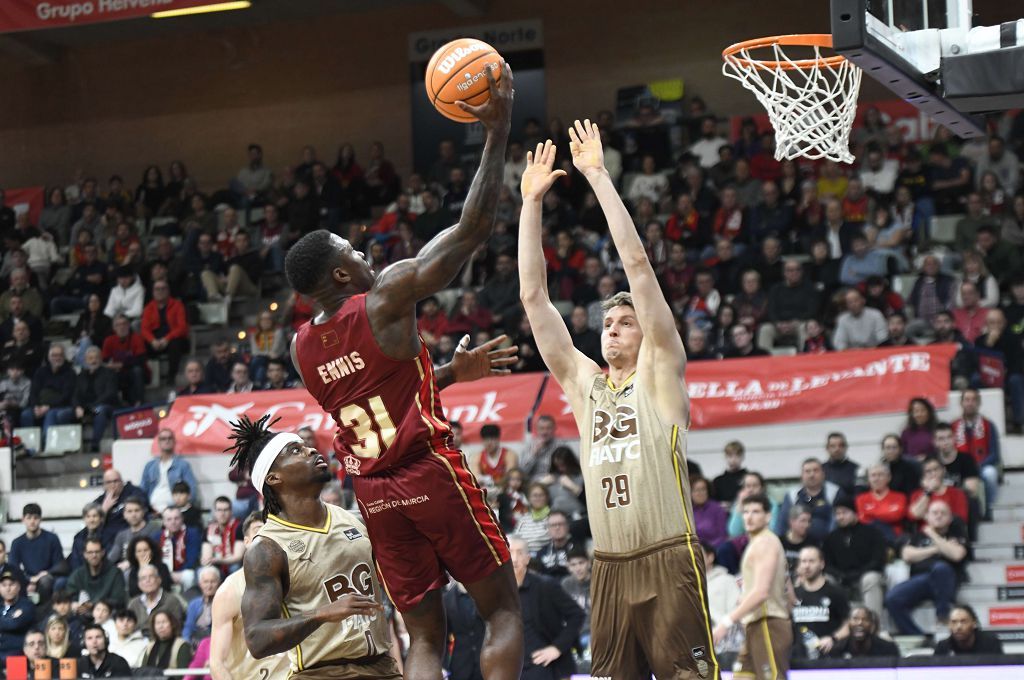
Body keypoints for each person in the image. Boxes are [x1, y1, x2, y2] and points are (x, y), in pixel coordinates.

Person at [283, 62, 522, 679]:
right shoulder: (385, 296)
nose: (365, 256)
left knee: (423, 639)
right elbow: (474, 230)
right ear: (341, 275)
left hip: (374, 494)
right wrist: (496, 132)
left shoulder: (301, 347)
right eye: (353, 253)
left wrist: (446, 371)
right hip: (430, 472)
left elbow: (375, 393)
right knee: (500, 611)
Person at [518, 120, 720, 679]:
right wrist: (531, 204)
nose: (612, 329)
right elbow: (534, 299)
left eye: (626, 322)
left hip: (668, 556)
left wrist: (599, 177)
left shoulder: (659, 374)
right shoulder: (586, 387)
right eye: (608, 322)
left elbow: (638, 267)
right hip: (607, 569)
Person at [228, 415, 401, 678]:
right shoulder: (267, 548)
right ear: (274, 478)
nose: (310, 449)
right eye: (295, 450)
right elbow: (257, 639)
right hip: (320, 673)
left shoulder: (352, 518)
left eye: (306, 445)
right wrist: (321, 614)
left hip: (382, 667)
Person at [713, 494, 791, 679]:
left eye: (756, 511)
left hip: (768, 623)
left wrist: (727, 621)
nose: (748, 516)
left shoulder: (765, 542)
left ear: (768, 516)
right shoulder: (758, 543)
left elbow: (762, 592)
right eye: (745, 512)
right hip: (755, 625)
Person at [209, 512, 288, 680]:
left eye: (271, 531)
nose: (267, 537)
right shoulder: (229, 591)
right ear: (246, 542)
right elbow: (217, 663)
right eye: (259, 531)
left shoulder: (298, 579)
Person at [885, 500, 969, 635]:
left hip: (946, 581)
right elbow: (907, 555)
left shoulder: (956, 533)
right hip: (921, 580)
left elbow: (957, 555)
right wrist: (938, 548)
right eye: (934, 513)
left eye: (943, 513)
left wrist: (932, 535)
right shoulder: (918, 536)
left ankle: (943, 616)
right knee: (892, 598)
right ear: (927, 517)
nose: (938, 516)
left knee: (941, 567)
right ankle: (917, 635)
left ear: (950, 518)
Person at [508, 536, 584, 680]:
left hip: (547, 668)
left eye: (519, 553)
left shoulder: (546, 586)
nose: (514, 558)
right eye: (510, 552)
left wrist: (557, 648)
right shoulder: (498, 592)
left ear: (527, 558)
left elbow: (577, 615)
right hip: (513, 669)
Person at [822, 499, 886, 620]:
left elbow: (878, 560)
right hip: (841, 580)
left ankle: (873, 626)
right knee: (825, 580)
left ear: (855, 513)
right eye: (837, 513)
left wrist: (858, 574)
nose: (840, 517)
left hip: (865, 577)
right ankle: (831, 626)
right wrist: (840, 575)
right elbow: (826, 563)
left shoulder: (872, 533)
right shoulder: (831, 538)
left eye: (844, 513)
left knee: (871, 578)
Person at [792, 546, 849, 658]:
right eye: (803, 561)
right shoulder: (794, 594)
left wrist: (833, 638)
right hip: (799, 657)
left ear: (822, 564)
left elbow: (848, 624)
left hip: (828, 656)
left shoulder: (835, 592)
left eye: (811, 561)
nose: (807, 566)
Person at [951, 388, 1000, 515]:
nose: (970, 403)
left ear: (978, 403)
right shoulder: (953, 426)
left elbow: (995, 454)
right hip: (961, 468)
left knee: (990, 474)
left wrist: (978, 466)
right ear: (961, 403)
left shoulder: (988, 425)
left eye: (974, 400)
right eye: (967, 399)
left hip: (981, 466)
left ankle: (990, 511)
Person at [775, 458, 846, 542]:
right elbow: (782, 524)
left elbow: (837, 521)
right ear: (802, 476)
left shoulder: (834, 492)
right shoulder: (792, 495)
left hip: (827, 544)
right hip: (797, 545)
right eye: (807, 471)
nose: (811, 475)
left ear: (823, 474)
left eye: (816, 470)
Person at [9, 503, 65, 605]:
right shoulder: (17, 543)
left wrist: (44, 574)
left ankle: (45, 613)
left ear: (40, 519)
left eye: (35, 518)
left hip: (48, 576)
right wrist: (29, 579)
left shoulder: (52, 539)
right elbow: (13, 568)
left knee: (46, 581)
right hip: (27, 578)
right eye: (29, 518)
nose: (32, 521)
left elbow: (60, 564)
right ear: (23, 520)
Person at [140, 428, 199, 512]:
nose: (167, 441)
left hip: (175, 512)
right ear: (159, 442)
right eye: (163, 439)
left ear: (174, 441)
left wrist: (183, 509)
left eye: (170, 438)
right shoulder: (150, 466)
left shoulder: (183, 465)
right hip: (151, 512)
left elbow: (192, 490)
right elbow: (142, 491)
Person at [65, 538, 127, 615]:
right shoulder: (78, 574)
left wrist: (93, 605)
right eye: (90, 552)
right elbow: (70, 594)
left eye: (97, 552)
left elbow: (118, 600)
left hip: (107, 615)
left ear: (103, 552)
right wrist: (75, 604)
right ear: (85, 554)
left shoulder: (115, 573)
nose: (94, 555)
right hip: (82, 616)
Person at [126, 564, 186, 637]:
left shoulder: (172, 601)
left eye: (151, 576)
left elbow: (177, 629)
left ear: (159, 580)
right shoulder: (133, 604)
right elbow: (128, 628)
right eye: (143, 578)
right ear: (139, 584)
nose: (147, 580)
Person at [442, 582, 486, 680]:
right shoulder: (447, 600)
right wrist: (443, 665)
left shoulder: (485, 594)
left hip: (485, 661)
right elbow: (444, 638)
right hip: (460, 665)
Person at [152, 506, 202, 592]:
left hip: (183, 571)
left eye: (176, 518)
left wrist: (175, 574)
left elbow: (192, 559)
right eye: (169, 519)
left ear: (182, 519)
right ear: (163, 522)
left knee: (189, 576)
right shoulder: (157, 537)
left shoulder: (192, 533)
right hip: (163, 572)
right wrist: (167, 573)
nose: (173, 522)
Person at [856, 462, 908, 541]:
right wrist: (886, 513)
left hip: (895, 540)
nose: (876, 479)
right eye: (873, 475)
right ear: (868, 479)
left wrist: (871, 516)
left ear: (889, 477)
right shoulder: (861, 499)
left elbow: (897, 516)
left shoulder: (900, 497)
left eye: (880, 475)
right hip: (869, 539)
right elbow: (863, 520)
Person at [828, 606, 899, 659]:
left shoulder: (888, 649)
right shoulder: (836, 649)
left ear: (871, 624)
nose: (860, 623)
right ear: (848, 623)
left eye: (865, 619)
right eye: (855, 619)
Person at [934, 603, 1004, 655]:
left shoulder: (990, 644)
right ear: (949, 625)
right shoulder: (943, 647)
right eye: (954, 622)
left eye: (963, 621)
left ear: (974, 623)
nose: (958, 627)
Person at [200, 496, 244, 577]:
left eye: (225, 510)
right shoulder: (209, 529)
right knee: (202, 571)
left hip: (232, 564)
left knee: (234, 568)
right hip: (216, 565)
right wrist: (207, 560)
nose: (222, 514)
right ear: (214, 512)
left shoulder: (239, 527)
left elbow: (238, 556)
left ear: (231, 512)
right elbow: (206, 555)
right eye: (219, 510)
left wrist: (218, 560)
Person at [0, 568, 35, 662]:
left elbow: (15, 624)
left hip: (16, 653)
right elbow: (10, 623)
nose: (8, 588)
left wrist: (8, 621)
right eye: (4, 585)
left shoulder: (27, 605)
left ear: (18, 587)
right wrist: (9, 619)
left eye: (11, 584)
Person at [182, 566, 220, 643]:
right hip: (196, 642)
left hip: (216, 642)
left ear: (219, 583)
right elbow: (188, 628)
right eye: (206, 582)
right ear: (200, 584)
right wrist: (186, 644)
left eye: (213, 582)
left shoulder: (224, 603)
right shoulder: (194, 604)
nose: (209, 586)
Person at [534, 511, 576, 578]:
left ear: (567, 526)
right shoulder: (541, 553)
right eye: (553, 525)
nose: (557, 528)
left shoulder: (579, 548)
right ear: (548, 529)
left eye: (560, 524)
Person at [822, 432, 859, 497]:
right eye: (833, 446)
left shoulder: (856, 468)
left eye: (841, 445)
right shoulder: (820, 470)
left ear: (846, 447)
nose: (837, 449)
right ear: (827, 448)